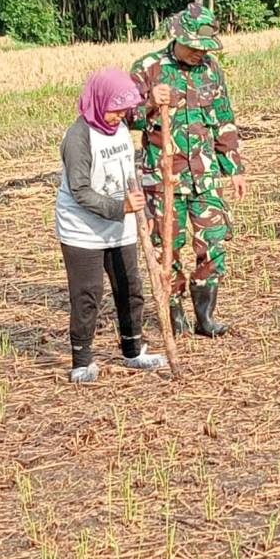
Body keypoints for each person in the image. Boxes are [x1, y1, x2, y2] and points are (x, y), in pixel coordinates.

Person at [129, 3, 246, 338]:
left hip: (204, 176)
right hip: (164, 179)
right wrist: (150, 102)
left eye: (205, 48)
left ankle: (205, 316)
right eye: (194, 47)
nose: (200, 53)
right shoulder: (148, 68)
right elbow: (123, 116)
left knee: (213, 243)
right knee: (168, 246)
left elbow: (224, 120)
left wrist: (234, 167)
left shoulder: (211, 71)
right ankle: (175, 311)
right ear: (176, 38)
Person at [56, 68, 168, 384]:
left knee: (130, 288)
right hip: (83, 229)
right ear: (98, 100)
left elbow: (128, 169)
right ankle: (81, 361)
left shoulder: (118, 127)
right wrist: (119, 207)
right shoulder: (78, 138)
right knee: (88, 293)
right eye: (114, 107)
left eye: (123, 108)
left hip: (121, 223)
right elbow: (79, 191)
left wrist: (138, 212)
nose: (120, 114)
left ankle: (133, 350)